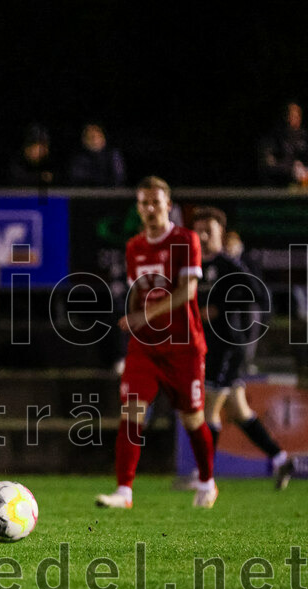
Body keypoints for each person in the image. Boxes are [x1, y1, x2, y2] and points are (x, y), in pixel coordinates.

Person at [96, 176, 218, 510]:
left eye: (156, 202)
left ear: (169, 205)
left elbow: (187, 292)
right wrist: (132, 320)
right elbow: (138, 291)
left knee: (192, 418)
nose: (150, 209)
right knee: (132, 412)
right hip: (145, 346)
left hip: (183, 345)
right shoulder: (135, 246)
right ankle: (124, 491)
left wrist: (143, 316)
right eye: (144, 203)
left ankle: (207, 480)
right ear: (138, 208)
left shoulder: (184, 239)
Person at [189, 207, 293, 489]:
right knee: (238, 410)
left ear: (221, 233)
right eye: (198, 230)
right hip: (208, 347)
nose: (203, 235)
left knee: (208, 411)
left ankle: (204, 478)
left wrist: (220, 309)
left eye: (208, 230)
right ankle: (282, 458)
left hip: (227, 347)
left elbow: (259, 294)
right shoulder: (194, 264)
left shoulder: (229, 265)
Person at [257, 101, 308, 187]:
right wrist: (290, 169)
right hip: (280, 187)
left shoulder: (305, 137)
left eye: (297, 116)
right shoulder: (275, 137)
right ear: (286, 117)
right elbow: (268, 164)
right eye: (292, 116)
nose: (295, 119)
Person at [66, 122, 127, 187]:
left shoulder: (113, 154)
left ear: (103, 137)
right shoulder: (79, 158)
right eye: (89, 137)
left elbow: (118, 177)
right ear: (83, 140)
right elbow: (76, 177)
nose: (94, 140)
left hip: (111, 194)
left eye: (96, 136)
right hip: (86, 194)